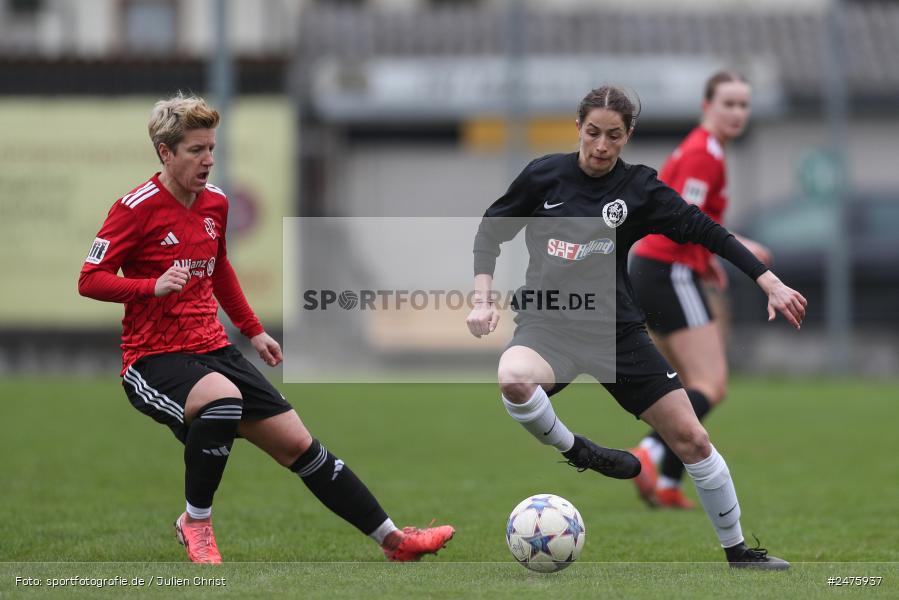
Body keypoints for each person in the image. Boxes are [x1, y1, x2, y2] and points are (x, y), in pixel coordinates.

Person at [78, 93, 453, 564]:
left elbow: (218, 269)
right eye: (196, 150)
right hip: (153, 359)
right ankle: (195, 522)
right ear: (165, 152)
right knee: (221, 401)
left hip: (214, 349)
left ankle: (395, 542)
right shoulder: (135, 209)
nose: (208, 160)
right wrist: (150, 287)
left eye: (212, 148)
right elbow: (88, 280)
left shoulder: (214, 203)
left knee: (300, 445)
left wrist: (253, 330)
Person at [466, 85, 805, 569]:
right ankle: (580, 451)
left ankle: (739, 553)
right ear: (578, 126)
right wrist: (482, 299)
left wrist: (768, 281)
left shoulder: (639, 189)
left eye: (614, 136)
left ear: (628, 136)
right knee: (513, 378)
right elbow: (490, 231)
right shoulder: (544, 176)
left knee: (693, 440)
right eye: (593, 133)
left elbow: (705, 229)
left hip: (616, 334)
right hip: (549, 329)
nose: (601, 146)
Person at [628, 71, 772, 510]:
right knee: (712, 383)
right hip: (668, 271)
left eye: (743, 105)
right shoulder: (703, 153)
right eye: (727, 103)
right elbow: (684, 219)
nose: (736, 112)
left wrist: (707, 261)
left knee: (686, 383)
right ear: (706, 106)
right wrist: (742, 249)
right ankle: (650, 451)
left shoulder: (705, 149)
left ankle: (669, 483)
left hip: (659, 268)